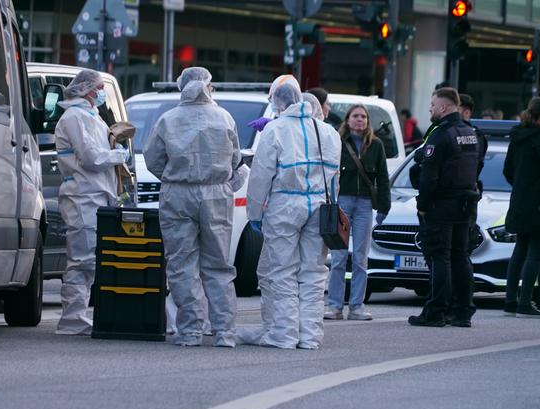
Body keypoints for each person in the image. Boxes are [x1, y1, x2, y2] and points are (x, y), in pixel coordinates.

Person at [143, 67, 241, 347]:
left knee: (182, 264)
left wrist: (175, 176)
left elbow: (152, 159)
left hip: (178, 194)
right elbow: (235, 159)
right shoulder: (224, 117)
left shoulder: (168, 119)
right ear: (209, 86)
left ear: (181, 86)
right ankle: (224, 332)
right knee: (218, 265)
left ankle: (190, 331)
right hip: (216, 193)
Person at [244, 83, 341, 349]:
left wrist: (254, 212)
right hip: (319, 205)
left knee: (282, 271)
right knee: (313, 272)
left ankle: (284, 334)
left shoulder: (275, 129)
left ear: (278, 103)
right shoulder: (328, 132)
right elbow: (335, 178)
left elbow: (260, 175)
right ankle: (310, 336)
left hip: (284, 205)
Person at [55, 69, 130, 335]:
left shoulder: (90, 116)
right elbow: (90, 158)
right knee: (82, 260)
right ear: (87, 90)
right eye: (98, 88)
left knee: (90, 258)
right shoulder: (74, 117)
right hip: (82, 196)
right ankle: (72, 320)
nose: (101, 93)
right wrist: (117, 156)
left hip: (94, 195)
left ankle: (78, 316)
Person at [408, 87, 480, 328]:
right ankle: (462, 311)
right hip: (465, 204)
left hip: (442, 204)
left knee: (440, 257)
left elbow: (429, 177)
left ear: (444, 107)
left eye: (432, 105)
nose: (430, 109)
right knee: (460, 257)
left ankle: (436, 311)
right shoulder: (470, 132)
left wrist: (423, 206)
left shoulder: (441, 135)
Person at [324, 104, 391, 321]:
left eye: (363, 116)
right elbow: (329, 173)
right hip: (342, 202)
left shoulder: (376, 145)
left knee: (361, 258)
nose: (360, 119)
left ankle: (357, 307)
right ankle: (334, 306)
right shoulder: (338, 142)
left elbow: (383, 178)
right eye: (355, 116)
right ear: (347, 120)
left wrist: (384, 207)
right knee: (338, 257)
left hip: (364, 205)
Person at [502, 97, 540, 319]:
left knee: (520, 249)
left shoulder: (517, 137)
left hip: (520, 201)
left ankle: (510, 300)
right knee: (535, 252)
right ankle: (525, 302)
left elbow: (507, 170)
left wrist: (521, 186)